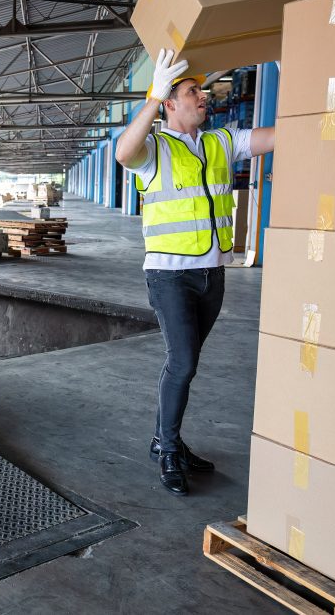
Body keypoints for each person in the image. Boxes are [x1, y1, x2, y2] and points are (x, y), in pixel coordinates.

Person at [114, 49, 275, 495]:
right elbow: (124, 153)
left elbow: (275, 137)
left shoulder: (220, 142)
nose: (203, 97)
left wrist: (287, 68)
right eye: (192, 92)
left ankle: (168, 439)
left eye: (201, 91)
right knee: (181, 362)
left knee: (187, 364)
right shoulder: (154, 149)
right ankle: (166, 448)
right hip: (170, 277)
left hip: (212, 276)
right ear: (170, 102)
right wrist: (151, 97)